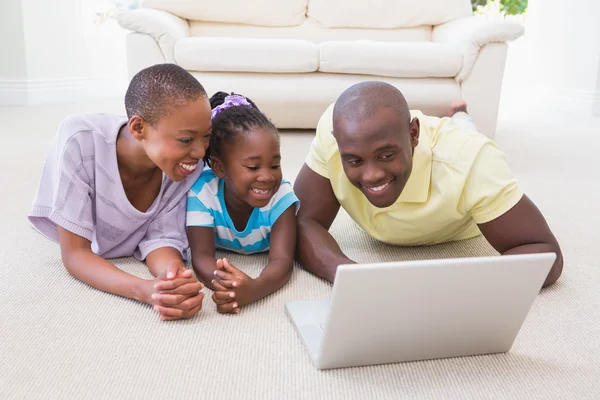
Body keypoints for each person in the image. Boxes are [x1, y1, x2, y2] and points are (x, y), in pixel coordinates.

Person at [294, 81, 563, 287]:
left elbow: (545, 255)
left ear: (413, 134)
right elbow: (301, 222)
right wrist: (352, 276)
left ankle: (461, 115)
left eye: (386, 155)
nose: (372, 175)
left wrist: (447, 291)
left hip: (455, 153)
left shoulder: (472, 160)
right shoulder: (337, 134)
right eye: (354, 161)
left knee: (466, 129)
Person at [28, 64, 212, 320]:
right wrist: (144, 291)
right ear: (138, 128)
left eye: (206, 137)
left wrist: (171, 278)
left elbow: (161, 239)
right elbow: (76, 253)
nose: (200, 152)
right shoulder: (80, 141)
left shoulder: (183, 168)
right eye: (186, 140)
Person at [186, 92, 299, 314]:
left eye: (274, 165)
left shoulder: (281, 195)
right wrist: (226, 285)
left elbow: (282, 262)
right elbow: (201, 256)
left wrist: (255, 288)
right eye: (253, 167)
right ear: (219, 168)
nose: (267, 177)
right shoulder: (202, 193)